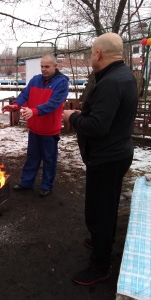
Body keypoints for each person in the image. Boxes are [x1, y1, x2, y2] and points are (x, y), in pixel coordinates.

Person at [63, 32, 138, 285]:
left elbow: (97, 126)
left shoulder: (111, 82)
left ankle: (100, 266)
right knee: (105, 205)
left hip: (107, 158)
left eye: (91, 52)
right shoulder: (122, 75)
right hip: (116, 153)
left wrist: (71, 117)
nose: (90, 57)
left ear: (98, 54)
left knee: (100, 210)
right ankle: (99, 240)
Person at [2, 54, 69, 197]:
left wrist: (35, 111)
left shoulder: (61, 83)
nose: (44, 69)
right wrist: (15, 105)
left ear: (55, 66)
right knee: (32, 157)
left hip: (50, 130)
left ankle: (47, 185)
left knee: (49, 159)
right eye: (42, 66)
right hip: (34, 128)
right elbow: (24, 95)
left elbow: (53, 103)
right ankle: (26, 182)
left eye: (47, 67)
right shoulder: (35, 80)